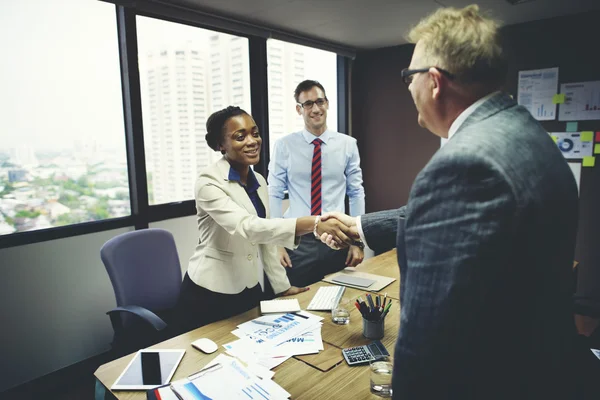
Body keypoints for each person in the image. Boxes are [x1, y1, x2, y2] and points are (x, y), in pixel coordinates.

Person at [320, 5, 586, 399]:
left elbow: (429, 337)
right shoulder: (525, 132)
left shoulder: (465, 162)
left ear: (434, 82)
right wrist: (357, 225)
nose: (408, 88)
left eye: (409, 77)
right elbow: (448, 214)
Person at [177, 106, 352, 332]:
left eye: (255, 133)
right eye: (240, 137)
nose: (252, 141)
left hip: (248, 287)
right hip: (209, 292)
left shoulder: (258, 180)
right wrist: (314, 223)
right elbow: (247, 227)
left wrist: (281, 287)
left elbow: (267, 239)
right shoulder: (208, 182)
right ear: (221, 145)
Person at [268, 80, 366, 287]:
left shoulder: (348, 144)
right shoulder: (284, 146)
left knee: (338, 297)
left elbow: (356, 193)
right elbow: (275, 193)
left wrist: (358, 241)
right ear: (299, 109)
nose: (315, 109)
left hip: (336, 236)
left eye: (319, 101)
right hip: (298, 239)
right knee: (297, 298)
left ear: (327, 104)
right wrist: (276, 243)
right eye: (308, 104)